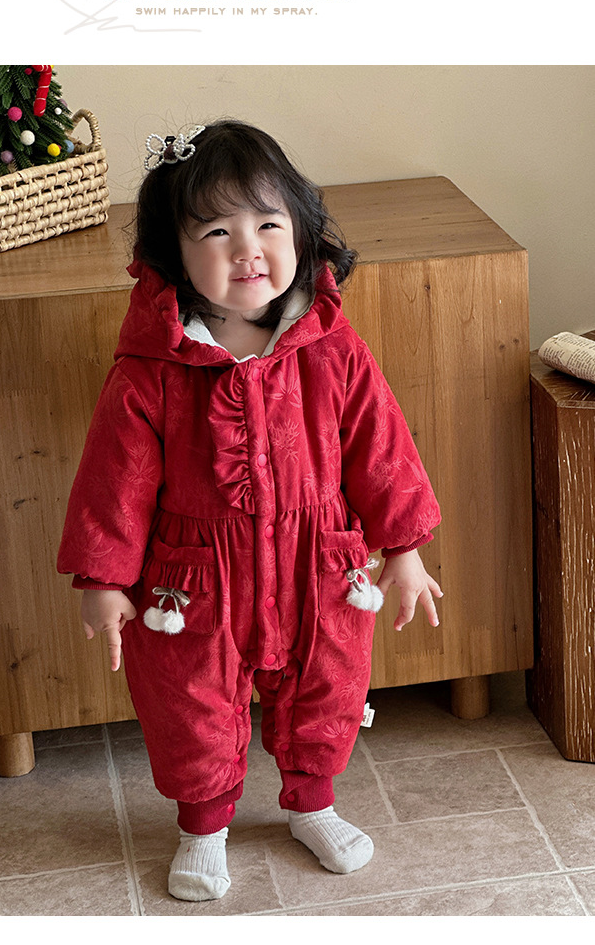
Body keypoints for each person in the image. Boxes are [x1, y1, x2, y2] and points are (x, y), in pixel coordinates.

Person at [57, 119, 443, 902]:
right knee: (191, 705)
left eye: (268, 224)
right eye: (216, 231)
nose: (248, 249)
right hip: (194, 581)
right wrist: (104, 578)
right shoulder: (152, 369)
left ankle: (312, 804)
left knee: (327, 688)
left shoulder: (333, 349)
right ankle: (203, 827)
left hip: (320, 566)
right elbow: (116, 477)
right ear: (173, 251)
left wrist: (404, 548)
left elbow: (381, 447)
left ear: (300, 230)